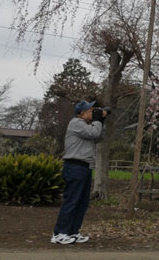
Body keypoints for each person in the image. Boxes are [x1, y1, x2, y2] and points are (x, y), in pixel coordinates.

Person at [51, 99, 107, 245]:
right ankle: (59, 233)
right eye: (90, 110)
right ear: (82, 113)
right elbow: (94, 132)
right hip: (75, 167)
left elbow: (99, 136)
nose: (93, 112)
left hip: (85, 167)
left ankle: (73, 232)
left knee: (81, 203)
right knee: (72, 201)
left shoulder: (86, 126)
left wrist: (102, 120)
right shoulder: (75, 123)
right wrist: (98, 120)